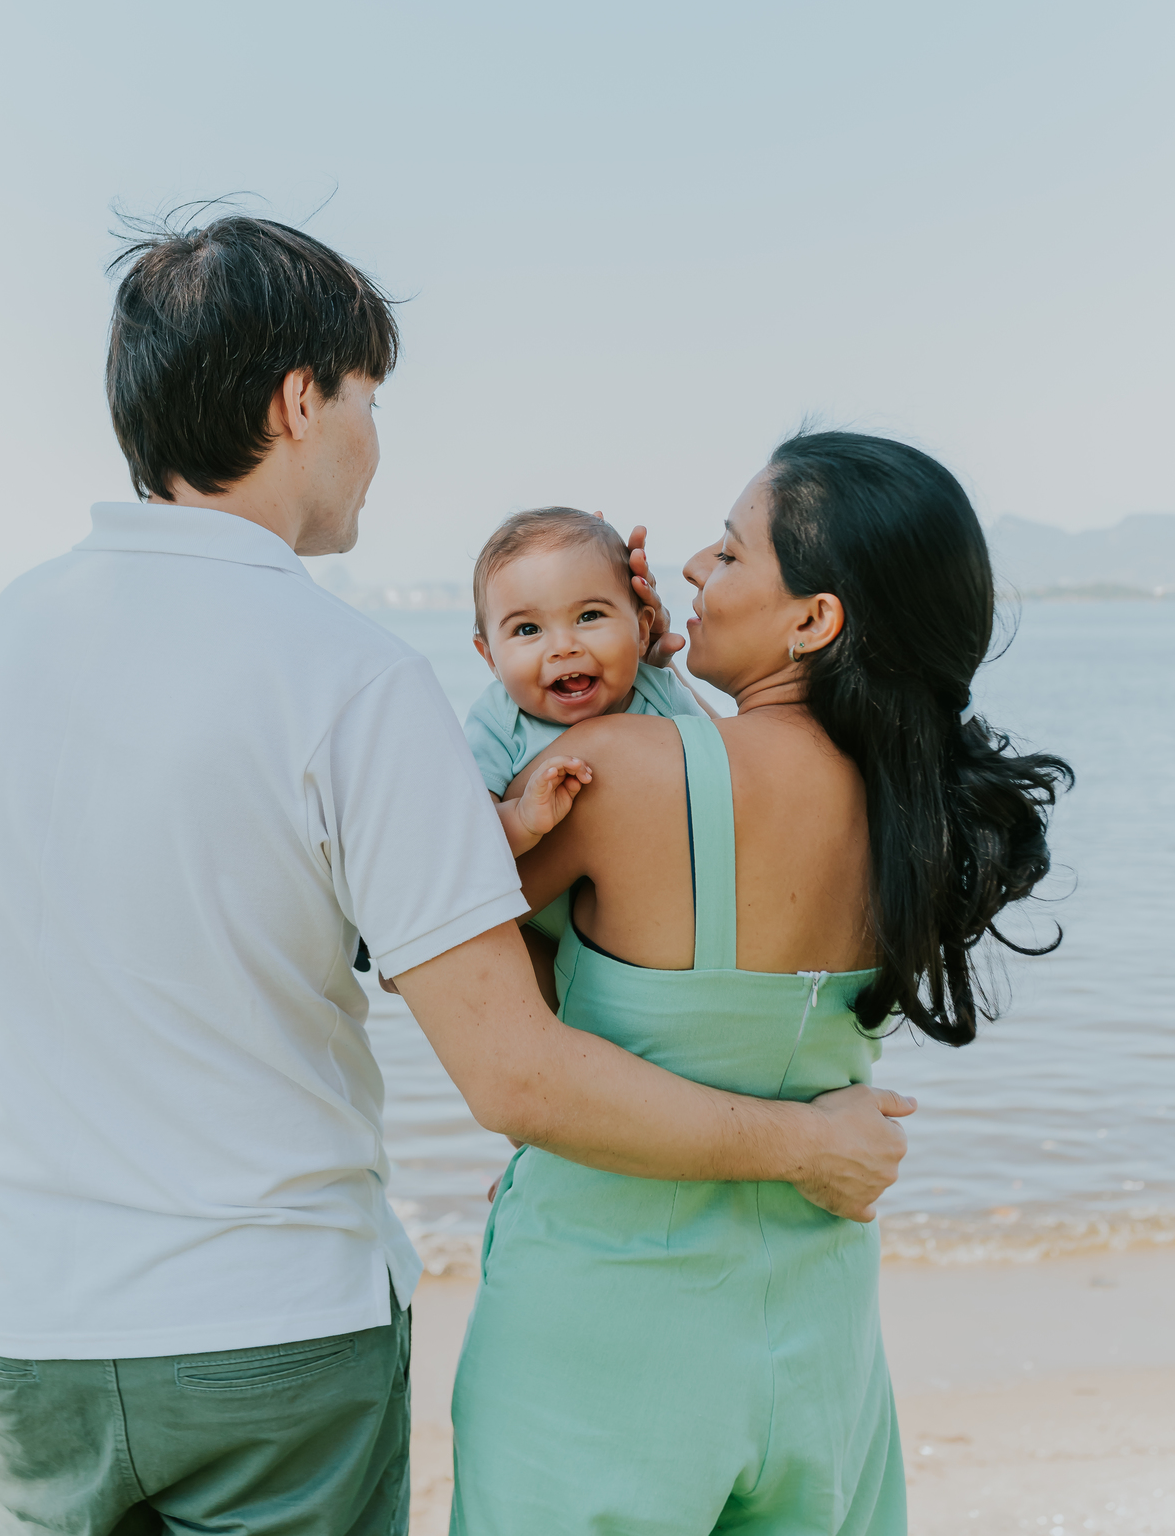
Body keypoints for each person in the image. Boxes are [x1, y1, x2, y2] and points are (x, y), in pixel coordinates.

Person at [0, 218, 914, 1536]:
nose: (375, 436)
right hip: (271, 1327)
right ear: (301, 399)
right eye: (368, 395)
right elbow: (515, 1072)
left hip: (21, 1329)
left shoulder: (2, 636)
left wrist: (630, 645)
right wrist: (804, 1142)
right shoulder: (345, 673)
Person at [450, 432, 1073, 1536]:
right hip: (819, 1341)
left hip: (609, 1333)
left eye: (731, 556)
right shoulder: (920, 821)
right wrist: (658, 674)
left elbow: (475, 988)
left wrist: (625, 690)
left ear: (815, 621)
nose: (688, 569)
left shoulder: (606, 773)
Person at [463, 505, 710, 907]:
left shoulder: (661, 692)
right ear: (490, 657)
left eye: (589, 615)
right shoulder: (497, 720)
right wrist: (522, 819)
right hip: (543, 924)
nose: (563, 647)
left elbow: (720, 769)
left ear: (642, 628)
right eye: (528, 629)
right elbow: (468, 839)